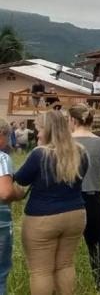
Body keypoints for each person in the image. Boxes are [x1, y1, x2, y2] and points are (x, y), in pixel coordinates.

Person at [14, 110, 89, 295]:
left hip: (42, 218)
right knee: (65, 265)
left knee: (41, 271)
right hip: (75, 214)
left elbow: (20, 180)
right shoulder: (81, 152)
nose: (37, 134)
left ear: (47, 130)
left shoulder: (39, 154)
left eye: (39, 129)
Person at [69, 104, 100, 292]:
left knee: (63, 247)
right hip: (93, 198)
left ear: (73, 120)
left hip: (66, 199)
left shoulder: (63, 143)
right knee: (97, 245)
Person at [0, 118, 27, 295]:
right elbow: (5, 193)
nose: (8, 141)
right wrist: (20, 193)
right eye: (6, 135)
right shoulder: (2, 158)